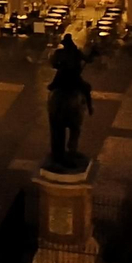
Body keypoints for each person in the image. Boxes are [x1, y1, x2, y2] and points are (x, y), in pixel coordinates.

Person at [45, 34, 94, 169]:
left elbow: (53, 64)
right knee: (86, 88)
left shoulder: (59, 53)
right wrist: (92, 53)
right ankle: (90, 107)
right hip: (73, 79)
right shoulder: (76, 52)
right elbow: (88, 60)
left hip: (61, 79)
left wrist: (61, 65)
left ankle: (57, 153)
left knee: (52, 88)